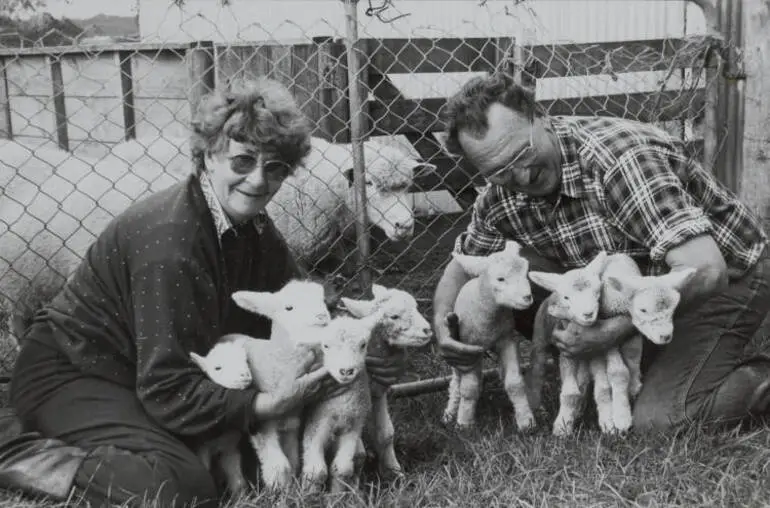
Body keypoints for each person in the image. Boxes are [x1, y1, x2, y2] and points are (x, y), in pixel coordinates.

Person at [0, 77, 405, 507]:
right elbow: (165, 385)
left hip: (144, 373)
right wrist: (264, 404)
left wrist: (363, 346)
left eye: (275, 168)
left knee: (258, 462)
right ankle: (18, 452)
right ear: (209, 156)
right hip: (76, 372)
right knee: (180, 485)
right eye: (244, 161)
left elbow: (302, 306)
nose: (258, 180)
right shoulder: (171, 243)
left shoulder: (254, 226)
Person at [433, 72, 770, 431]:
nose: (521, 175)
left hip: (728, 277)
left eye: (523, 153)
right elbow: (463, 266)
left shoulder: (619, 161)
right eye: (499, 171)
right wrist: (443, 323)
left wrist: (613, 332)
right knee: (513, 275)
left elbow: (706, 270)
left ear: (541, 118)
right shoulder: (498, 196)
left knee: (662, 418)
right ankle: (660, 358)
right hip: (635, 290)